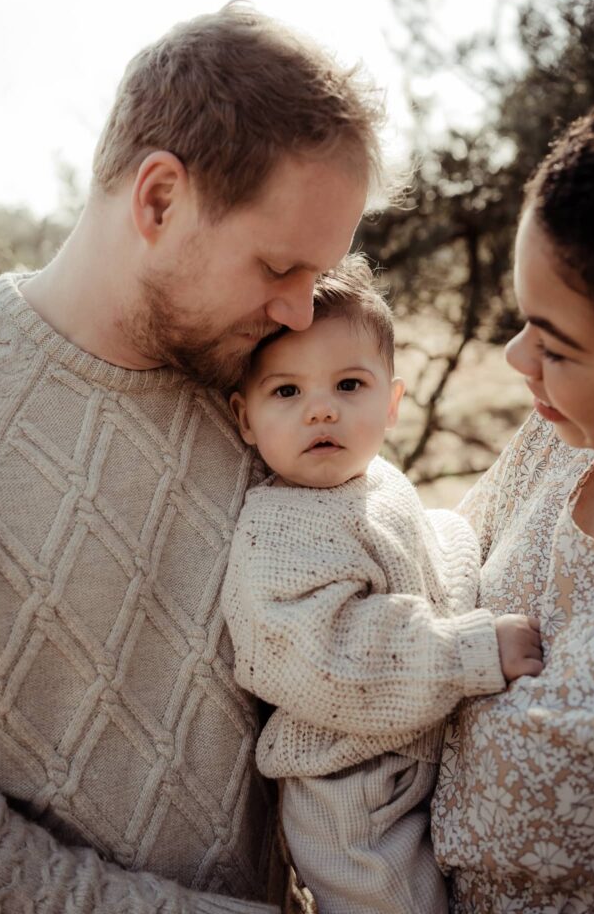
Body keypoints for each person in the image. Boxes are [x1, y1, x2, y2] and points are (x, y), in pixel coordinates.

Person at [0, 4, 387, 912]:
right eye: (277, 268)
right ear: (159, 198)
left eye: (318, 276)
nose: (301, 313)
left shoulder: (276, 392)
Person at [222, 254, 543, 914]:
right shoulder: (276, 533)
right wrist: (472, 651)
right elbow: (330, 657)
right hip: (350, 795)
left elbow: (431, 551)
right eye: (286, 392)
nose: (320, 411)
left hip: (405, 758)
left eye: (347, 385)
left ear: (391, 401)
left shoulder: (376, 483)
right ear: (245, 417)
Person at [431, 96, 594, 913]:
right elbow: (425, 571)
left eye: (555, 343)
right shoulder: (551, 442)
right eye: (519, 319)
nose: (514, 358)